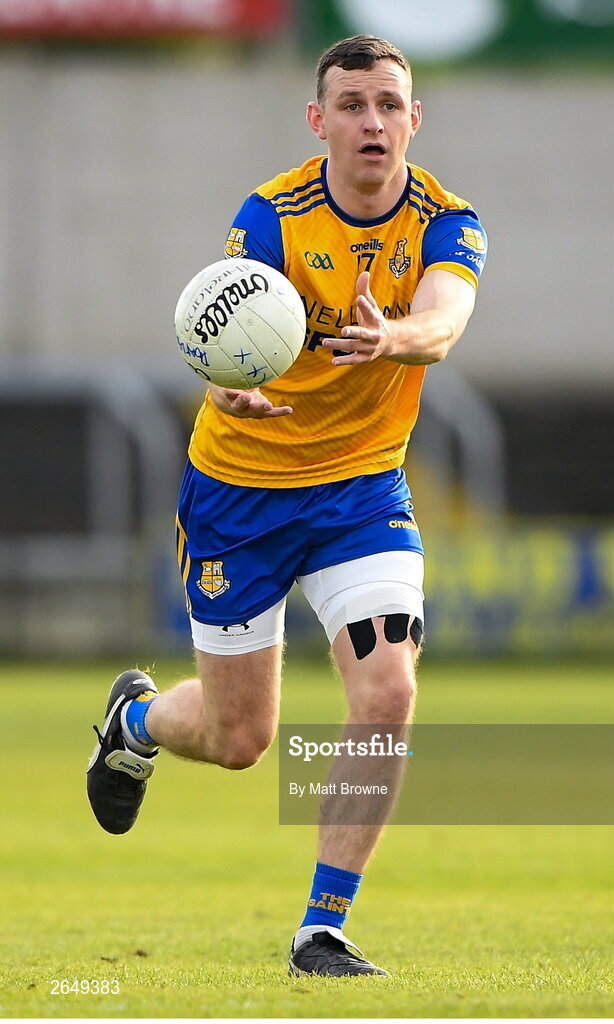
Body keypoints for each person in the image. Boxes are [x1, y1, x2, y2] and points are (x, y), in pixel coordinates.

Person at [87, 34, 487, 977]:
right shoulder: (272, 214)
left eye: (389, 104)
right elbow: (220, 334)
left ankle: (323, 929)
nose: (372, 123)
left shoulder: (446, 219)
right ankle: (135, 724)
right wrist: (225, 387)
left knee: (386, 692)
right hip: (241, 492)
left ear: (413, 119)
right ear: (319, 122)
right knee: (240, 741)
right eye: (351, 105)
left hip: (360, 491)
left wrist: (396, 336)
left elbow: (444, 322)